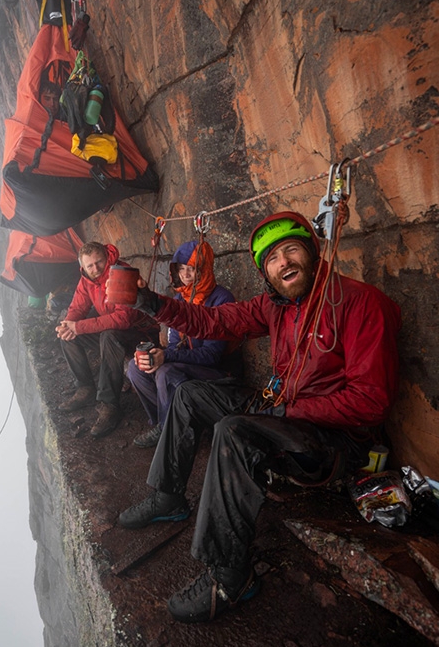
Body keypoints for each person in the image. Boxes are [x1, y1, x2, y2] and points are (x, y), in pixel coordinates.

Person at [115, 211, 401, 624]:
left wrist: (289, 410)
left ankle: (230, 576)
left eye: (291, 250)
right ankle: (169, 495)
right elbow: (212, 321)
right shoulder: (275, 306)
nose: (283, 262)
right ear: (266, 273)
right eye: (271, 258)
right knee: (192, 393)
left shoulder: (360, 303)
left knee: (236, 431)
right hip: (285, 414)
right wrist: (151, 303)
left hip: (334, 442)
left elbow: (371, 402)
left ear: (312, 253)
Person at [127, 240, 236, 448]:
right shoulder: (180, 298)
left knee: (165, 371)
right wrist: (154, 352)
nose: (185, 275)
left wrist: (166, 357)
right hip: (187, 365)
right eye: (181, 269)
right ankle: (165, 421)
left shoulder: (222, 300)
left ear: (204, 270)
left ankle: (170, 431)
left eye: (192, 269)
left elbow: (212, 356)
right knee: (135, 368)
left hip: (218, 373)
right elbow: (175, 345)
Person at [56, 241, 159, 438]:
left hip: (140, 335)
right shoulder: (87, 280)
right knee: (68, 334)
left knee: (108, 335)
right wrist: (68, 324)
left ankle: (109, 405)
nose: (96, 269)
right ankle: (85, 387)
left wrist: (78, 327)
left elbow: (124, 319)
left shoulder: (122, 273)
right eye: (90, 265)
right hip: (114, 333)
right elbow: (78, 308)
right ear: (83, 268)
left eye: (99, 262)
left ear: (107, 257)